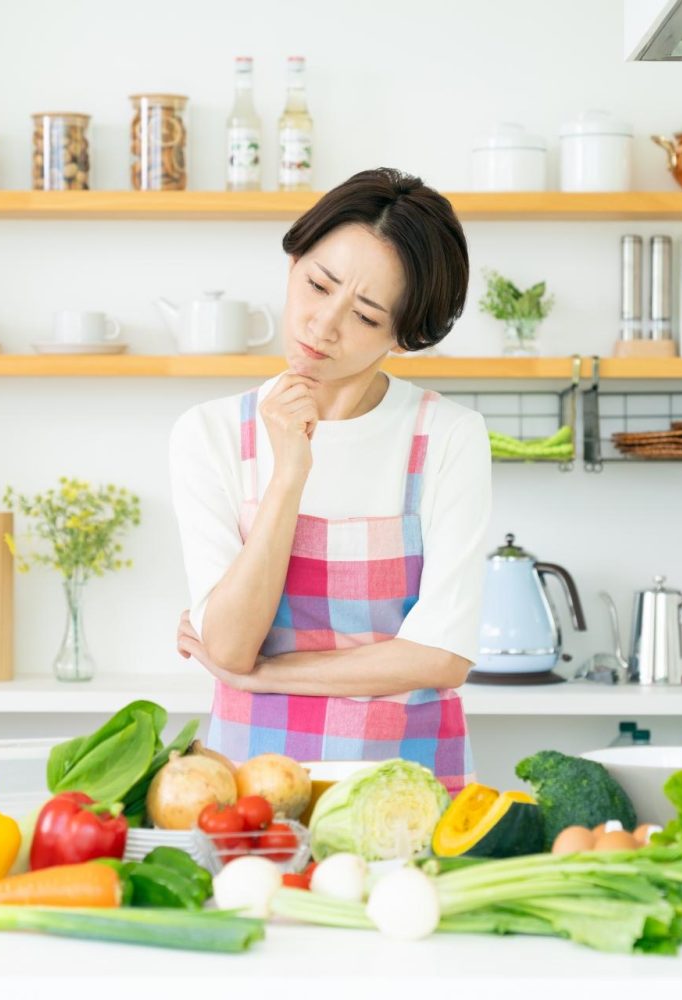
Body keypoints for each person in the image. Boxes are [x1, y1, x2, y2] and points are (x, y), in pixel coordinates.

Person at [169, 167, 491, 795]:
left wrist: (266, 676)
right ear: (294, 258)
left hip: (406, 789)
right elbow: (231, 647)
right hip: (248, 793)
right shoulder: (207, 434)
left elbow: (441, 658)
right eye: (318, 284)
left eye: (366, 315)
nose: (323, 325)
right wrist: (289, 472)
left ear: (405, 334)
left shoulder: (447, 436)